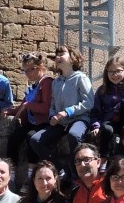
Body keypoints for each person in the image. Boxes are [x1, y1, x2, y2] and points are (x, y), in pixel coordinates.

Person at [28, 45, 94, 173]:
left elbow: (89, 102)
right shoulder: (56, 82)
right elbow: (52, 104)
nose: (57, 57)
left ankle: (77, 174)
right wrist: (52, 116)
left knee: (74, 135)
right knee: (35, 140)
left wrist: (68, 111)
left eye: (61, 54)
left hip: (78, 119)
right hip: (60, 122)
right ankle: (60, 170)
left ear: (73, 58)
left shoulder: (81, 78)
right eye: (56, 54)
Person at [5, 52, 53, 187]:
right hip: (31, 123)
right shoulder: (32, 86)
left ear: (40, 67)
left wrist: (28, 105)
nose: (27, 73)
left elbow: (46, 107)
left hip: (43, 123)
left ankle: (30, 178)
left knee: (32, 138)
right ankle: (12, 176)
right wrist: (9, 111)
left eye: (30, 70)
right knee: (14, 138)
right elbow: (23, 106)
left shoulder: (47, 83)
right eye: (25, 70)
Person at [86, 56, 124, 158]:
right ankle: (104, 157)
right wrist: (96, 126)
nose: (114, 75)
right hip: (111, 122)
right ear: (106, 73)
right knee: (106, 128)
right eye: (111, 72)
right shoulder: (102, 90)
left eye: (118, 71)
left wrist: (123, 105)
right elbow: (96, 111)